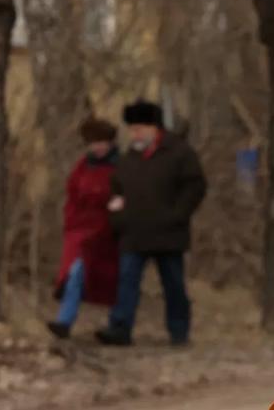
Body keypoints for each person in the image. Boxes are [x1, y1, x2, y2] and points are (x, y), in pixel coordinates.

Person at [95, 99, 207, 346]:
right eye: (132, 129)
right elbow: (116, 192)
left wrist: (178, 214)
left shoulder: (180, 153)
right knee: (127, 281)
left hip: (168, 232)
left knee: (173, 284)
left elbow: (195, 187)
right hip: (133, 232)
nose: (134, 134)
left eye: (138, 129)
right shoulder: (128, 159)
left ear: (153, 127)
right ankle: (120, 328)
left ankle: (179, 331)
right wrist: (118, 219)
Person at [48, 117, 120, 339]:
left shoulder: (120, 166)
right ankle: (64, 320)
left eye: (102, 142)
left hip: (106, 232)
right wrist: (70, 222)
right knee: (75, 273)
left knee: (112, 279)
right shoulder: (82, 166)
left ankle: (116, 325)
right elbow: (72, 195)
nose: (98, 147)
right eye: (93, 143)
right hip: (79, 230)